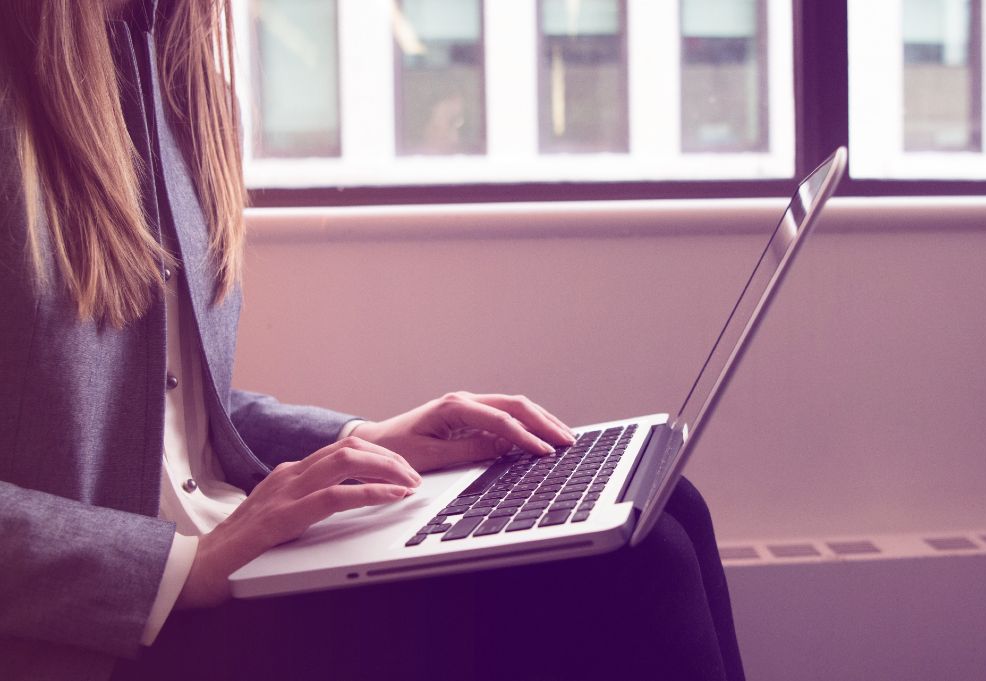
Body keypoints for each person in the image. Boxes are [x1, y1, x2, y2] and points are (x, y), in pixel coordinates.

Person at [0, 1, 746, 680]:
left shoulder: (174, 73)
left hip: (225, 554)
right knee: (641, 571)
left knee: (669, 506)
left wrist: (367, 438)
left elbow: (168, 418)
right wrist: (179, 567)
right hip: (100, 630)